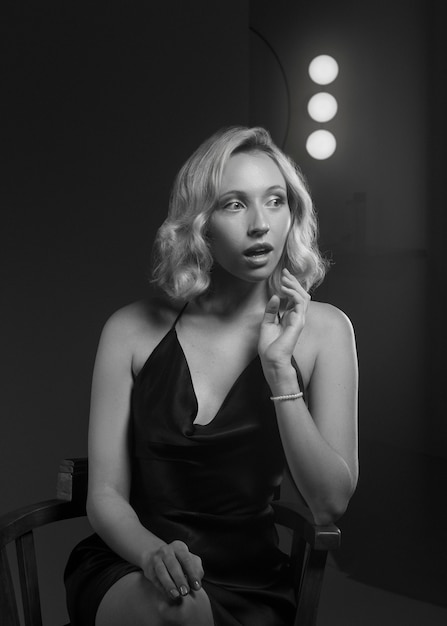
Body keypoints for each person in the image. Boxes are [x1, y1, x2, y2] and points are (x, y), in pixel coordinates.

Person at [64, 126, 358, 626]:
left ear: (294, 213)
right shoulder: (130, 330)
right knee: (182, 610)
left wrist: (279, 372)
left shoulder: (325, 331)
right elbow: (106, 494)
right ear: (200, 224)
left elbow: (329, 504)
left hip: (253, 585)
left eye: (275, 200)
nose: (261, 224)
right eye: (234, 205)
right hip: (134, 566)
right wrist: (153, 555)